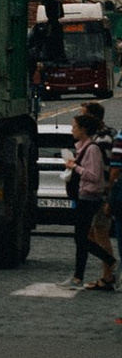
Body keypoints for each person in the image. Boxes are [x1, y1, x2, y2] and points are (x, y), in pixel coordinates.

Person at [68, 103, 115, 292]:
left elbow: (98, 172)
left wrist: (75, 168)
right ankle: (79, 276)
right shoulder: (98, 138)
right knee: (86, 236)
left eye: (81, 117)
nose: (73, 128)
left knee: (97, 233)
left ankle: (109, 273)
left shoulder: (99, 142)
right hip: (94, 193)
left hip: (97, 194)